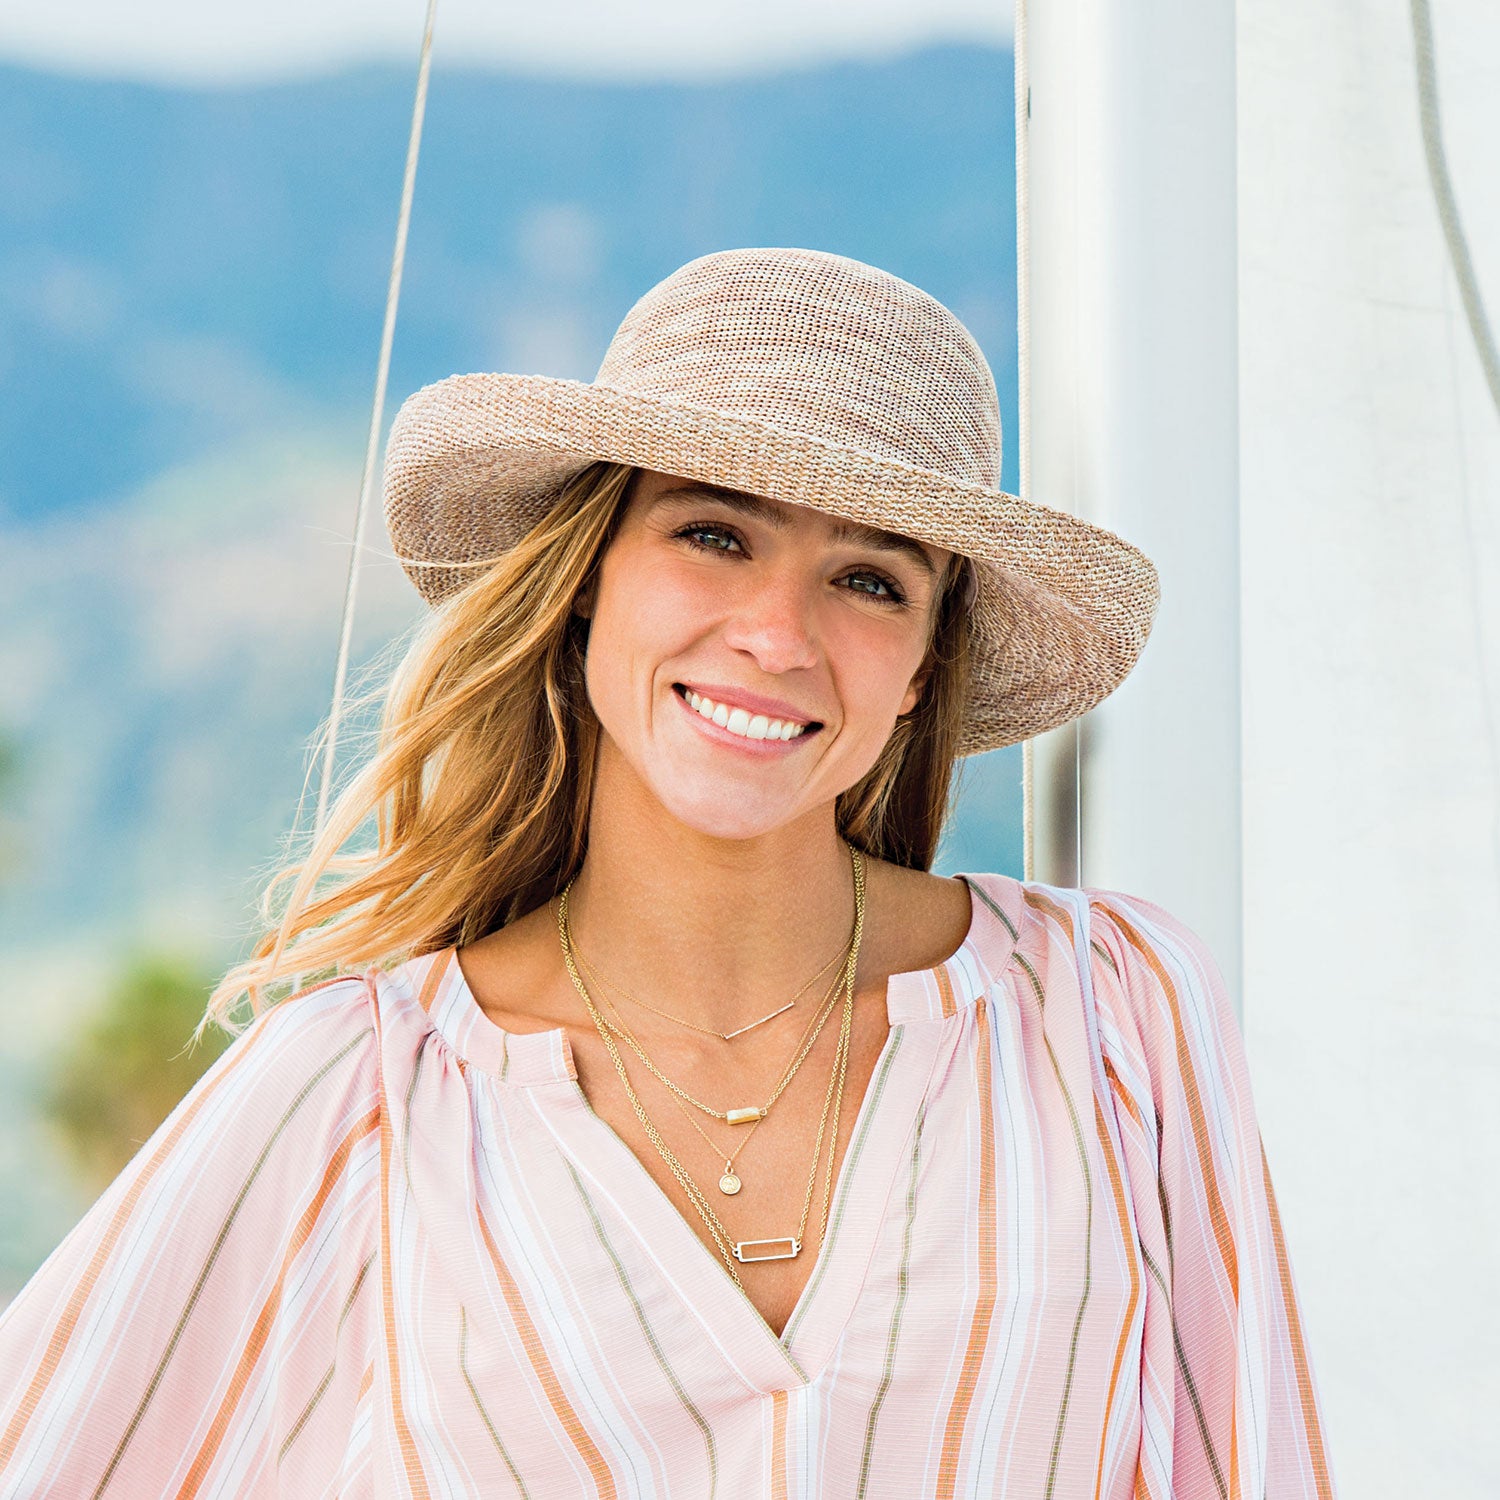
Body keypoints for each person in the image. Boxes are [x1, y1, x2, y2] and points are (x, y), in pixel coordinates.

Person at [0, 247, 1336, 1497]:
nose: (776, 633)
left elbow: (1257, 1459)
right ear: (589, 579)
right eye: (712, 535)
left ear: (924, 664)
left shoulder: (1109, 1009)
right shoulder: (369, 1089)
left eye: (870, 579)